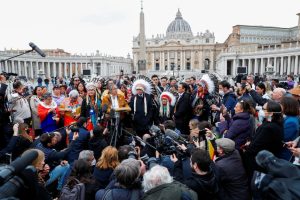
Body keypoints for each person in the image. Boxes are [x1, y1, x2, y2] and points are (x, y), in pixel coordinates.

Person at [242, 101, 284, 177]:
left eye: (264, 109)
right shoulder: (275, 123)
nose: (261, 110)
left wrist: (247, 148)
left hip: (257, 161)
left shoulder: (268, 127)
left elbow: (257, 146)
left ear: (271, 113)